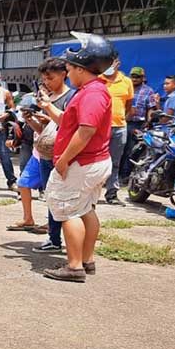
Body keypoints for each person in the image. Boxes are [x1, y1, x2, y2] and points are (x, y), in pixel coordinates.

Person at [43, 31, 115, 283]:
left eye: (70, 69)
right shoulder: (90, 91)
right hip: (91, 162)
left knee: (67, 209)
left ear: (81, 69)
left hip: (81, 163)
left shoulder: (93, 93)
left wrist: (63, 159)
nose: (69, 73)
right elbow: (69, 122)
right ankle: (86, 260)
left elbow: (86, 131)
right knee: (85, 209)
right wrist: (48, 109)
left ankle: (74, 266)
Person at [24, 58, 76, 252]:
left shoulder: (71, 97)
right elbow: (45, 130)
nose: (46, 82)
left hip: (63, 156)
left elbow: (67, 125)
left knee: (65, 199)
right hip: (45, 154)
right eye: (44, 79)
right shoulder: (47, 98)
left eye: (50, 78)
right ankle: (53, 238)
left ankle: (68, 242)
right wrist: (30, 121)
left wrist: (48, 111)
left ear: (64, 74)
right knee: (51, 198)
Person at [101, 57, 133, 205]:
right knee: (96, 160)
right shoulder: (99, 80)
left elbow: (128, 104)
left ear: (118, 63)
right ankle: (90, 192)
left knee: (115, 162)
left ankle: (112, 194)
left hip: (119, 127)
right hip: (100, 128)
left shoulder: (126, 81)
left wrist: (120, 119)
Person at [121, 66, 156, 181]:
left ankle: (126, 176)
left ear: (142, 78)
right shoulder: (124, 88)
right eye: (133, 76)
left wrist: (148, 122)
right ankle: (118, 174)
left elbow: (151, 108)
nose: (135, 79)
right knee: (120, 149)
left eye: (138, 77)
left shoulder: (148, 91)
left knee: (132, 150)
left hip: (138, 124)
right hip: (122, 122)